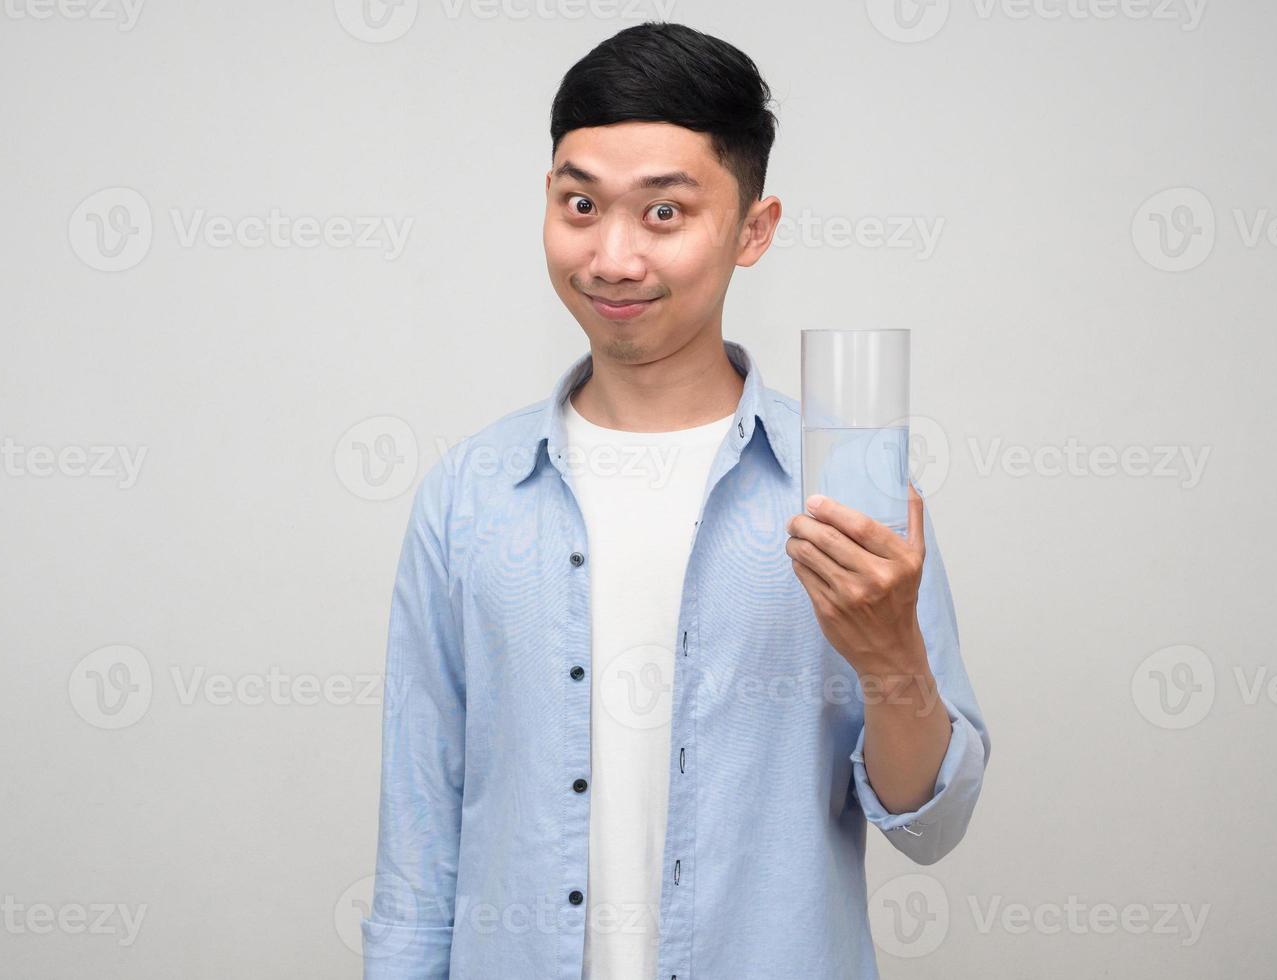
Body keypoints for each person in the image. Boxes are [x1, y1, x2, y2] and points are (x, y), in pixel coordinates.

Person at [361, 21, 990, 980]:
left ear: (753, 229)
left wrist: (890, 653)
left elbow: (929, 824)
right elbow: (418, 834)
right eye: (581, 204)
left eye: (663, 213)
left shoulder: (847, 483)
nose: (612, 257)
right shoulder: (471, 493)